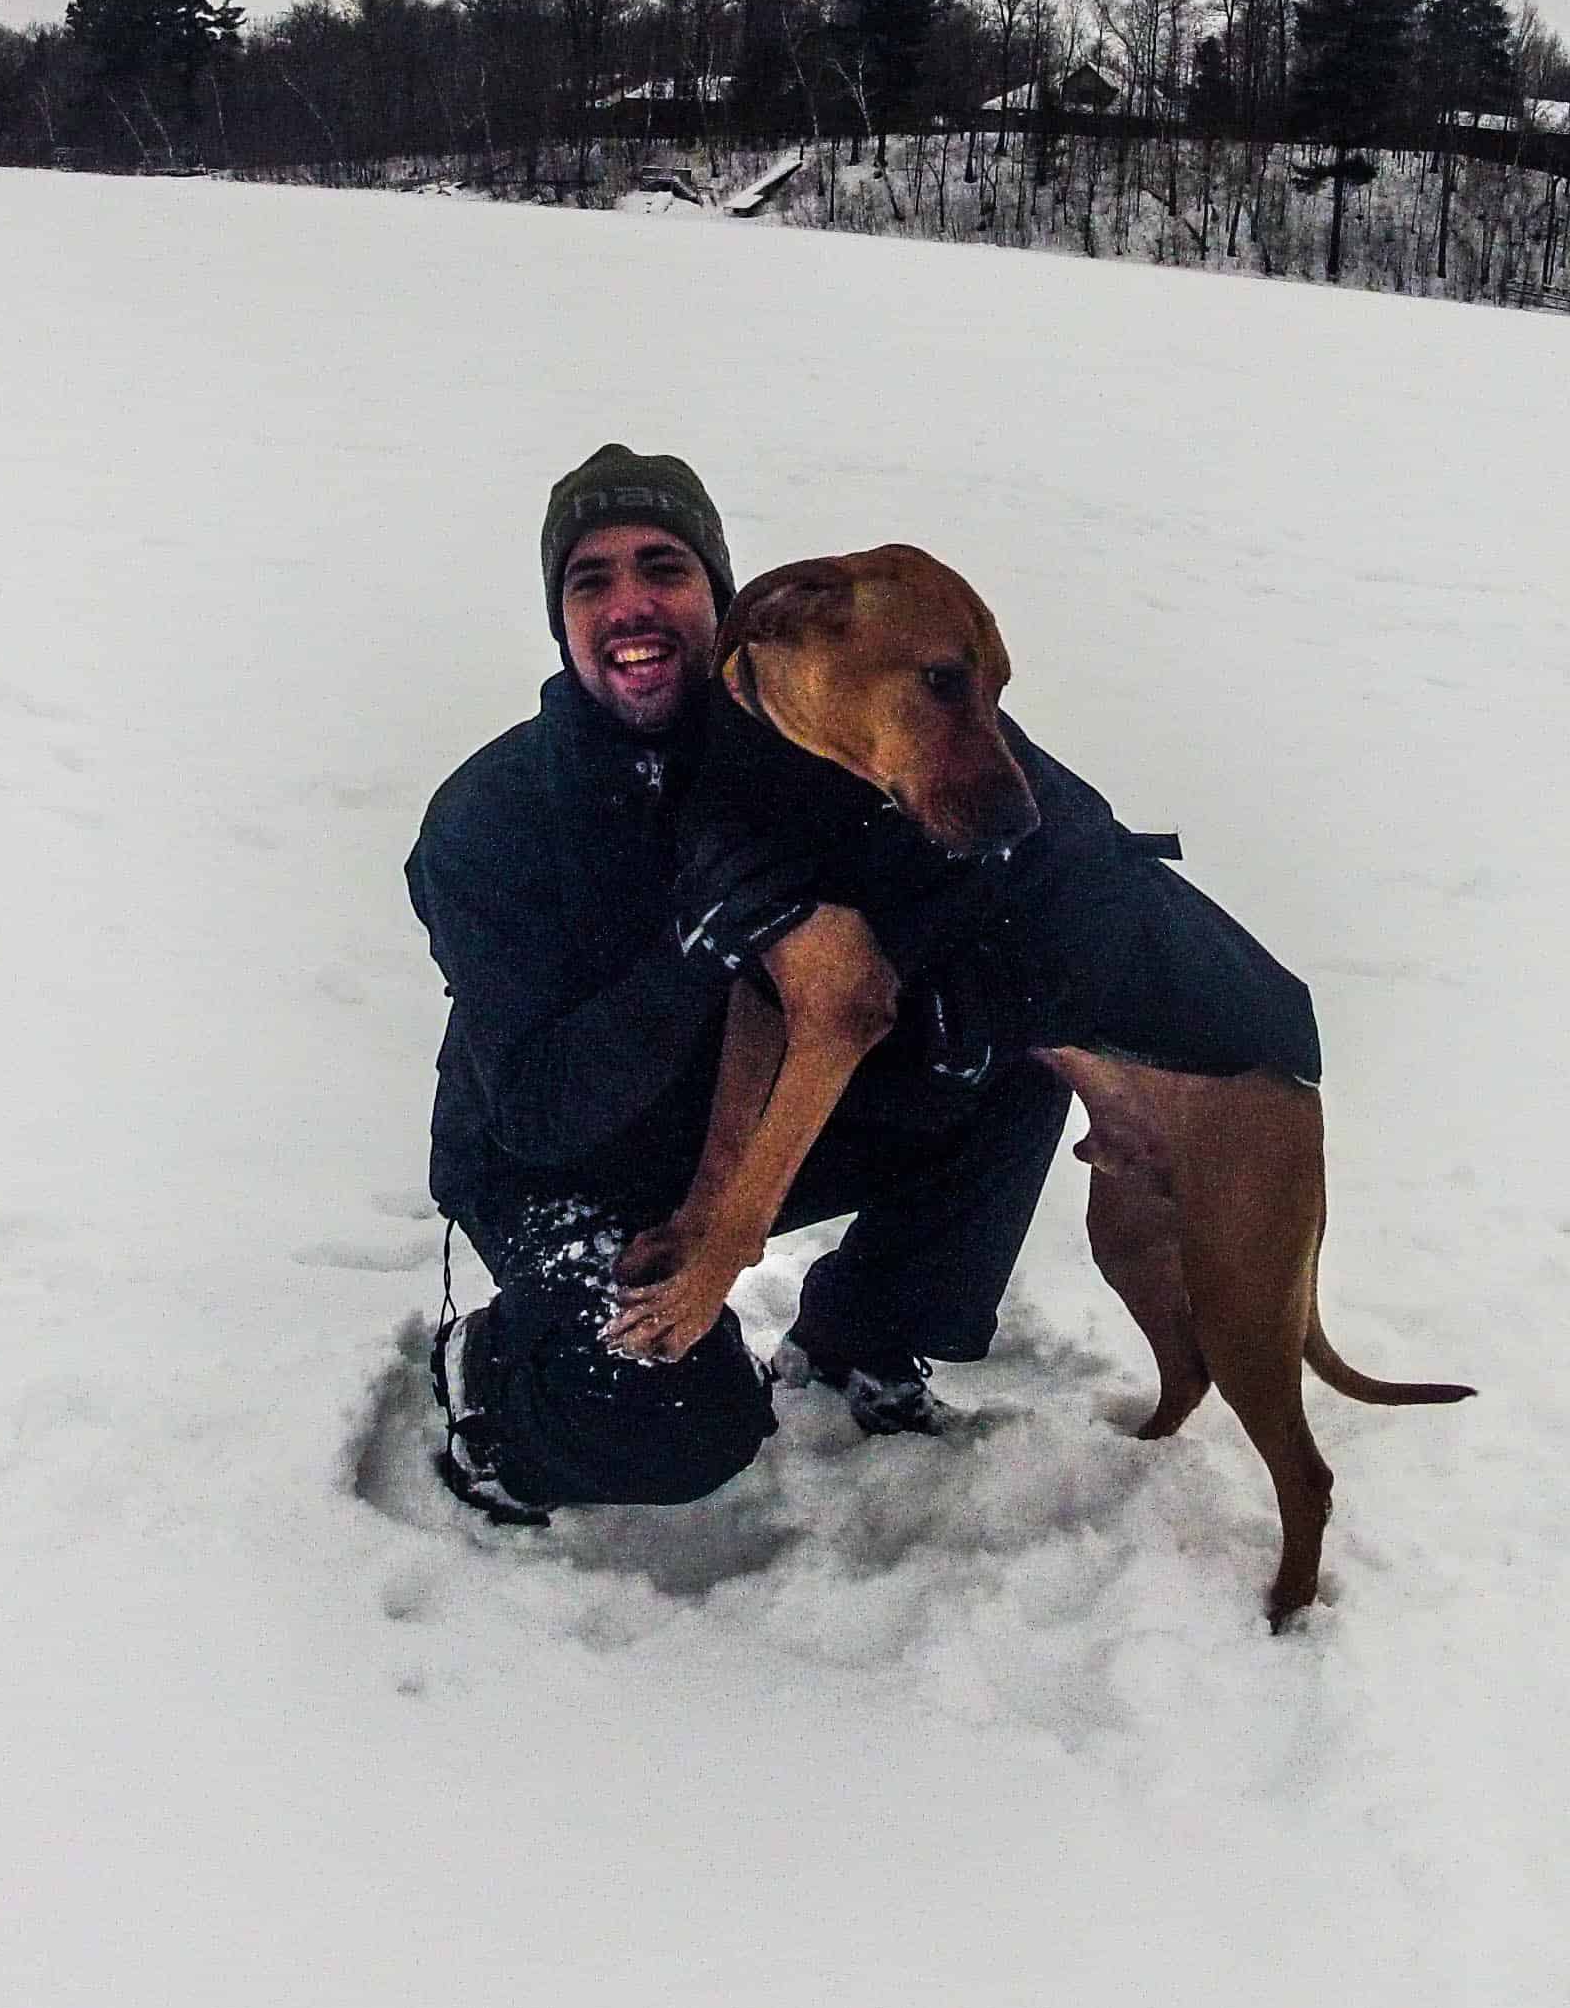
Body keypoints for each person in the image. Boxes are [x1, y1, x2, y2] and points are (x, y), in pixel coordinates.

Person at [403, 446, 1072, 1527]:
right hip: (554, 1169)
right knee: (672, 1423)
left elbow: (955, 846)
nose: (631, 604)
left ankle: (859, 1331)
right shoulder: (492, 818)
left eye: (664, 569)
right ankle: (499, 1381)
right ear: (561, 623)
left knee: (1011, 1063)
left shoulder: (807, 744)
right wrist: (699, 948)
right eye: (591, 581)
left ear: (728, 603)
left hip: (728, 1134)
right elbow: (535, 1111)